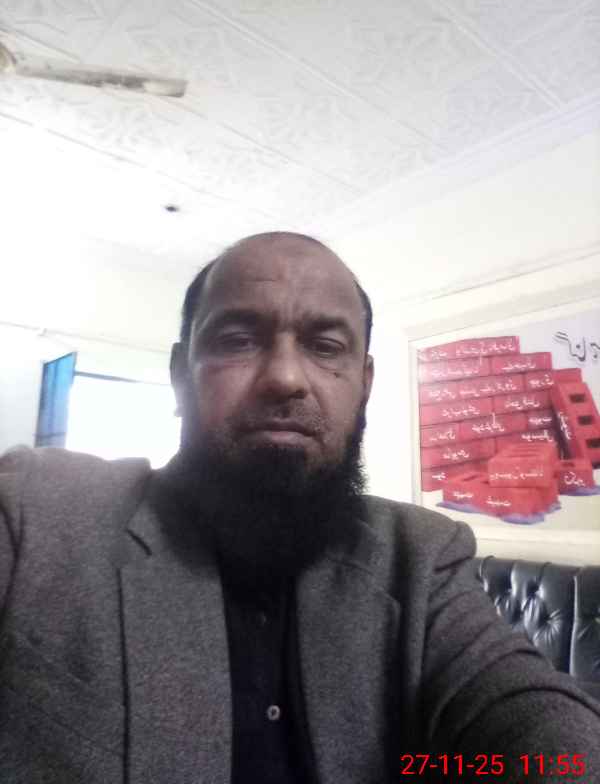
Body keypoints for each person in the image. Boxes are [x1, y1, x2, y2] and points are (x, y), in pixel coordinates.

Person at [0, 231, 599, 784]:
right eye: (237, 340)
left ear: (364, 384)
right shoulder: (36, 512)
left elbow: (531, 717)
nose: (285, 377)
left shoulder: (421, 557)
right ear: (181, 374)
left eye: (325, 346)